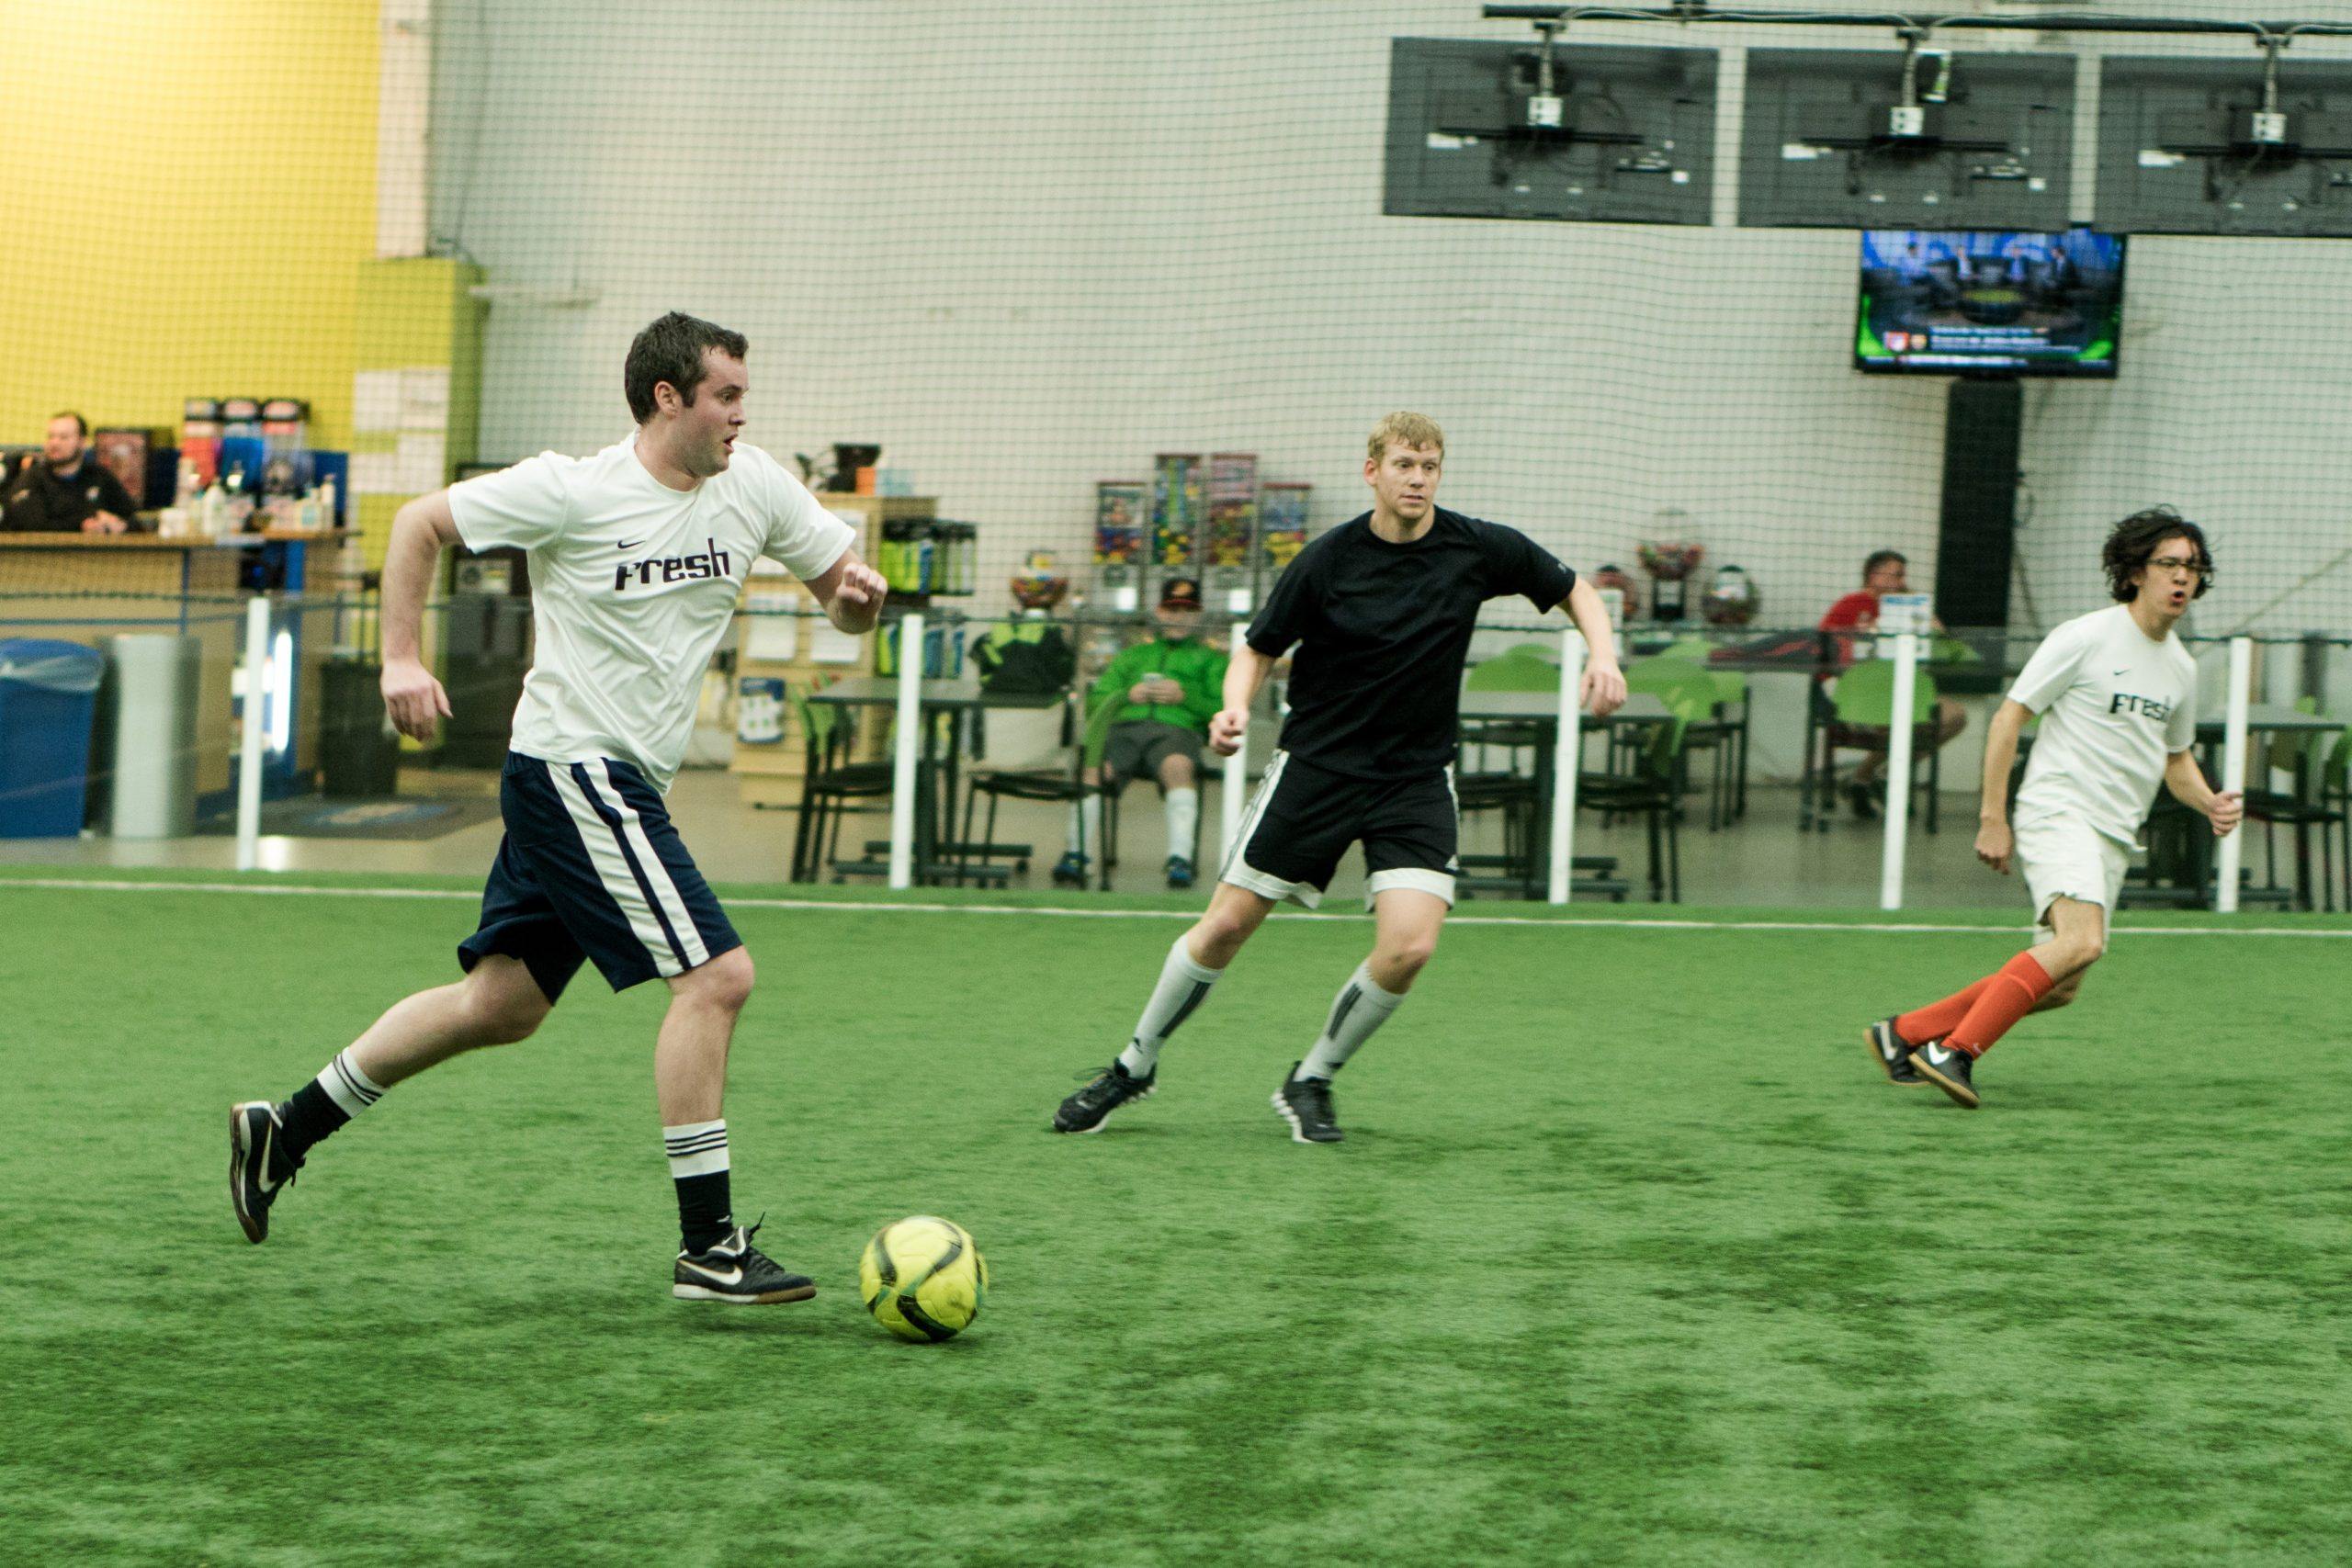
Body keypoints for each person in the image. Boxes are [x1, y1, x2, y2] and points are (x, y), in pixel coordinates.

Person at [228, 312, 888, 1303]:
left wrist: (855, 605)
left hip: (607, 782)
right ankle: (708, 1247)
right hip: (579, 771)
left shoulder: (753, 485)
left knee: (501, 1007)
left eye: (743, 395)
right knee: (715, 980)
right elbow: (418, 524)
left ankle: (285, 1127)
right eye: (726, 396)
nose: (742, 415)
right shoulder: (574, 489)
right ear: (669, 399)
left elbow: (839, 589)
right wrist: (401, 657)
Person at [1051, 412, 1626, 1144]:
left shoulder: (1477, 547)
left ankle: (1312, 1076)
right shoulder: (1327, 559)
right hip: (1317, 770)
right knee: (1224, 926)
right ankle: (1133, 1065)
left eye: (1430, 466)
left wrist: (1603, 656)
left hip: (1414, 779)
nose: (1418, 479)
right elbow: (1256, 649)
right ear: (1373, 471)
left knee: (1411, 946)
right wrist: (1232, 709)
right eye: (1405, 465)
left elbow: (1577, 588)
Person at [1864, 508, 2241, 1109]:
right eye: (2169, 563)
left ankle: (1904, 1033)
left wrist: (2209, 801)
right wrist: (1993, 816)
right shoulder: (2084, 636)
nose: (2182, 578)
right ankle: (1953, 1050)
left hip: (2114, 835)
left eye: (2193, 568)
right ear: (2135, 571)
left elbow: (2175, 759)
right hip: (2059, 810)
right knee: (2082, 940)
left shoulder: (2182, 668)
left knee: (2062, 983)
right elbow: (2010, 716)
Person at [1052, 575, 1227, 890]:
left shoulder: (1212, 660)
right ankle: (1075, 854)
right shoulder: (1132, 657)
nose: (1178, 617)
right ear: (1159, 613)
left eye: (1187, 611)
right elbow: (1094, 704)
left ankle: (1180, 859)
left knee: (1178, 767)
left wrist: (1185, 695)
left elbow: (1222, 710)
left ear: (1198, 616)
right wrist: (1126, 695)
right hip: (1123, 731)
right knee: (1093, 770)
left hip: (1176, 733)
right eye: (1172, 609)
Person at [1817, 548, 1967, 820]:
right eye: (1895, 575)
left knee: (1954, 717)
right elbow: (1824, 648)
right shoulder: (1851, 605)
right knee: (1892, 725)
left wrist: (1932, 627)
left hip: (1900, 688)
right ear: (1874, 575)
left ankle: (1876, 775)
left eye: (1902, 576)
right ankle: (1867, 781)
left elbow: (1943, 648)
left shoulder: (1909, 609)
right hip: (1857, 690)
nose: (1900, 581)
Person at [2, 412, 137, 534]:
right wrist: (83, 524)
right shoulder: (32, 479)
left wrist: (120, 526)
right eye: (51, 437)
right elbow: (34, 526)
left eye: (63, 437)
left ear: (82, 442)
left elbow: (134, 520)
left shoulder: (100, 477)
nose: (55, 443)